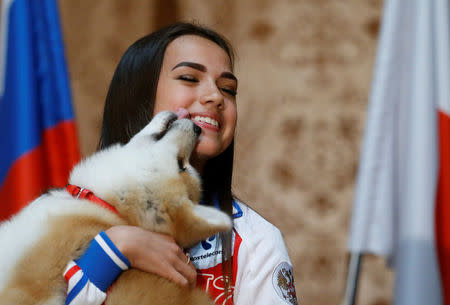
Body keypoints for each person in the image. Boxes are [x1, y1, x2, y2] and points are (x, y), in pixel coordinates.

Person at [63, 22, 299, 305]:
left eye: (228, 89)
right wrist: (112, 250)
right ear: (140, 96)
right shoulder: (67, 214)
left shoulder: (256, 240)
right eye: (189, 77)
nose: (215, 96)